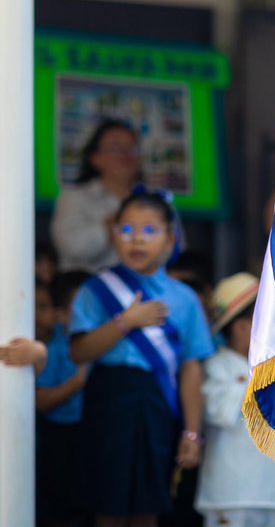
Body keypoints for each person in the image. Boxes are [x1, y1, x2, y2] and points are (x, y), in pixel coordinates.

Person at [68, 189, 214, 527]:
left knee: (150, 504)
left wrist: (192, 432)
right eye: (127, 230)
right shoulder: (96, 290)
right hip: (109, 399)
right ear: (114, 234)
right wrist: (125, 322)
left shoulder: (185, 298)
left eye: (149, 231)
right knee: (108, 505)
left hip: (157, 404)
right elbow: (79, 351)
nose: (137, 240)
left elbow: (192, 368)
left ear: (169, 239)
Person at [195, 272, 275, 527]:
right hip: (229, 493)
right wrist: (255, 381)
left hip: (270, 491)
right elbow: (218, 412)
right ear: (242, 327)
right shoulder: (218, 366)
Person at [53, 120, 142, 274]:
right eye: (115, 149)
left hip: (143, 291)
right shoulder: (74, 197)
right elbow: (73, 247)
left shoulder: (156, 201)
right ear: (95, 158)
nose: (125, 155)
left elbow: (175, 250)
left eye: (131, 149)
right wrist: (114, 225)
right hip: (86, 290)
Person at [36, 272, 90, 527]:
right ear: (62, 315)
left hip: (90, 431)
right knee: (57, 504)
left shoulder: (105, 344)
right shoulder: (53, 347)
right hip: (57, 435)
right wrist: (78, 381)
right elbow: (42, 401)